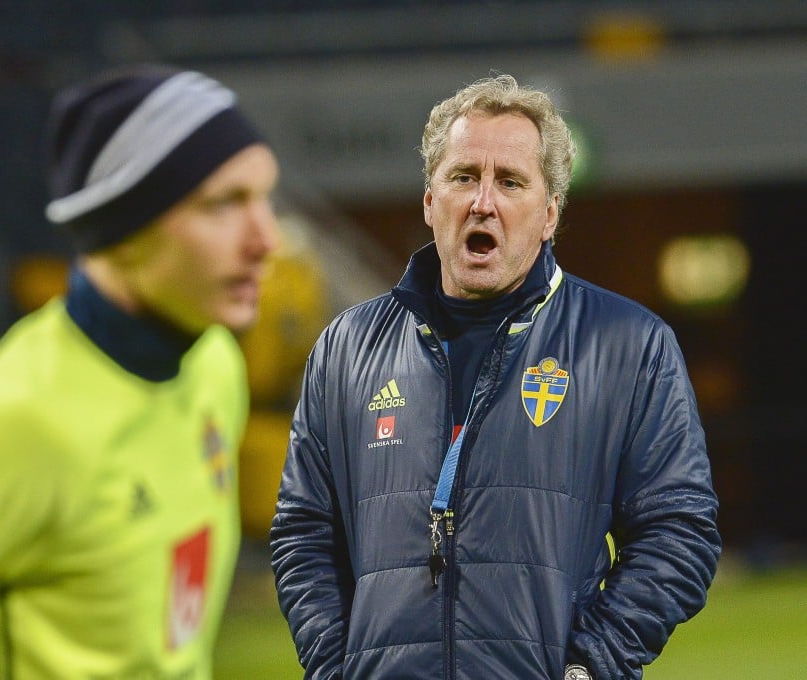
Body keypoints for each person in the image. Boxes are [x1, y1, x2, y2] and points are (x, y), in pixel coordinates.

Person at [0, 65, 279, 679]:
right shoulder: (18, 422)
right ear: (127, 231)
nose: (266, 239)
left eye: (265, 197)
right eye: (223, 205)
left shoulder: (214, 365)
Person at [270, 74, 721, 680]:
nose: (484, 201)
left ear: (549, 214)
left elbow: (679, 531)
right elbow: (303, 533)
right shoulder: (346, 350)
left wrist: (593, 664)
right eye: (463, 177)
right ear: (430, 200)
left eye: (510, 182)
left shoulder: (628, 345)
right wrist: (332, 666)